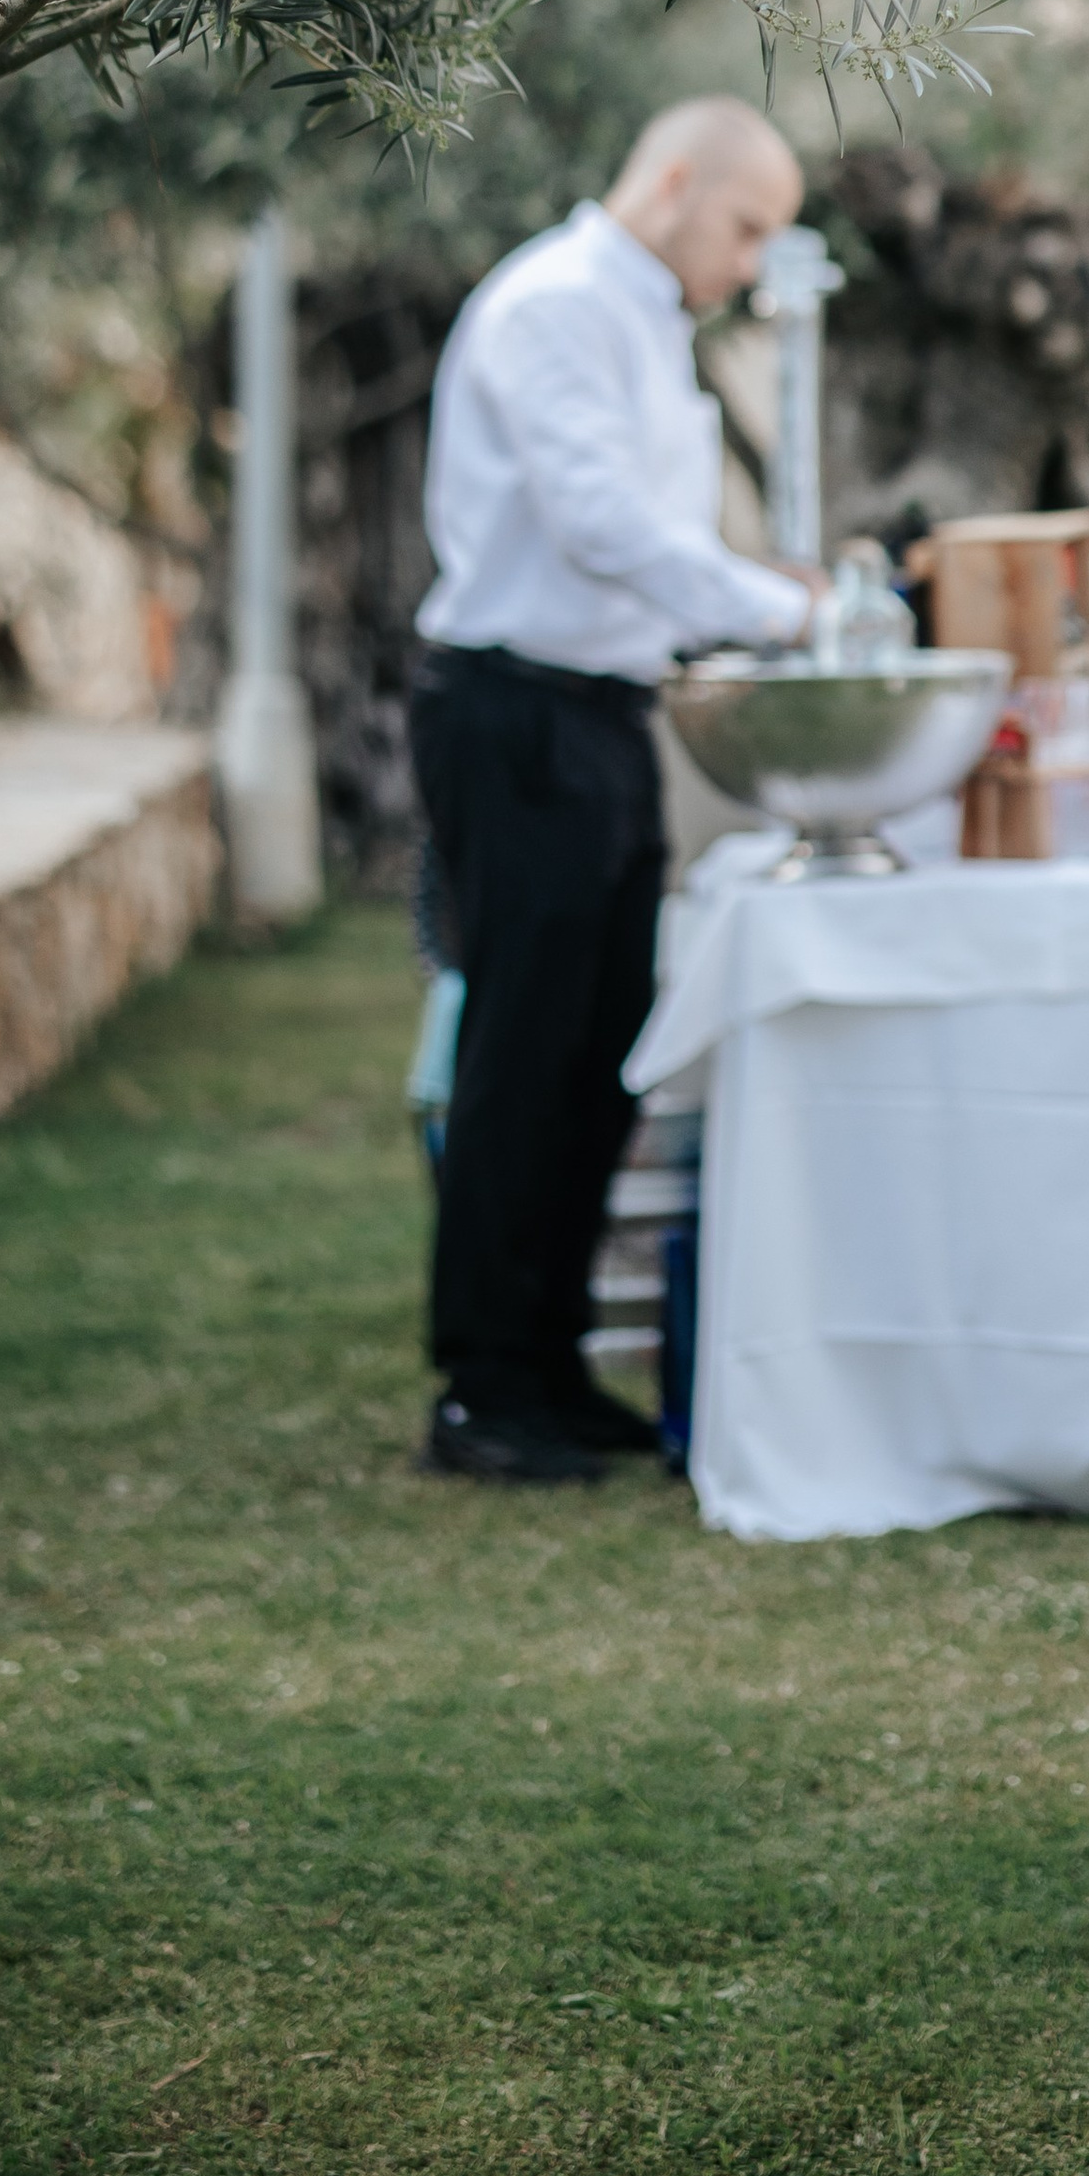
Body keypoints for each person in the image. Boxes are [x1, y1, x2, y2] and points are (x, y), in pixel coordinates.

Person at [409, 97, 814, 1484]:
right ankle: (481, 1388)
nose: (756, 260)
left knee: (600, 1047)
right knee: (525, 1049)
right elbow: (603, 528)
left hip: (601, 710)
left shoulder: (646, 325)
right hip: (514, 710)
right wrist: (778, 612)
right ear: (676, 179)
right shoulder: (556, 305)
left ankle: (553, 1359)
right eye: (749, 225)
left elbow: (655, 541)